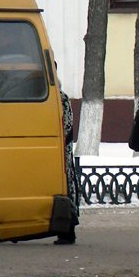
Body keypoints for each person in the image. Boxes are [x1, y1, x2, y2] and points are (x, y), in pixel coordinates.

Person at [55, 88, 80, 244]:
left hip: (61, 153)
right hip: (57, 150)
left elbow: (67, 127)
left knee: (65, 188)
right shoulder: (57, 96)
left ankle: (68, 230)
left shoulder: (60, 97)